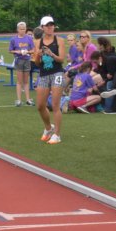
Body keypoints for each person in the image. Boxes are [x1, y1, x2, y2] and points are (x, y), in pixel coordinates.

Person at [34, 16, 66, 145]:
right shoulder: (38, 42)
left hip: (57, 73)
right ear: (42, 27)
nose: (50, 27)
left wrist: (51, 54)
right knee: (40, 106)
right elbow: (37, 63)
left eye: (51, 25)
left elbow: (61, 59)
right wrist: (38, 55)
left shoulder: (59, 40)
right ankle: (48, 128)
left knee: (55, 105)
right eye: (47, 25)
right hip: (43, 74)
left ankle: (57, 135)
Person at [8, 21, 35, 106]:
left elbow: (33, 50)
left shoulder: (29, 38)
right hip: (18, 60)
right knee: (19, 81)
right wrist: (18, 52)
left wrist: (27, 51)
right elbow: (10, 50)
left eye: (24, 29)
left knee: (26, 81)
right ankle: (19, 100)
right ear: (17, 29)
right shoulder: (13, 39)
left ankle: (28, 100)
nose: (22, 30)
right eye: (21, 29)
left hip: (27, 60)